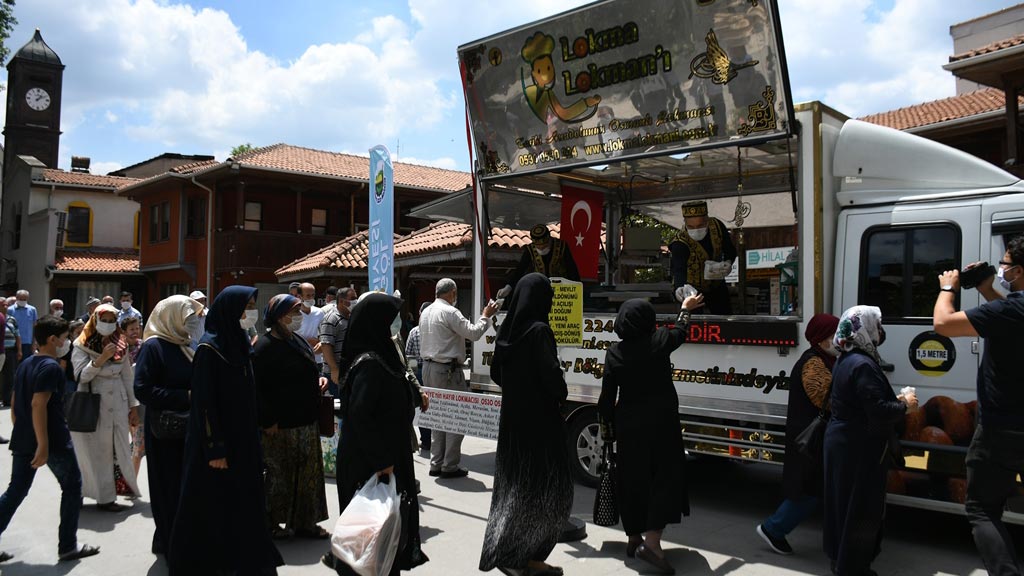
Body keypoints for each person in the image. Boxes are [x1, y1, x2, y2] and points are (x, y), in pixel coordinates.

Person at [169, 286, 284, 575]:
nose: (250, 312)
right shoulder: (210, 349)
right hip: (218, 447)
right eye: (246, 306)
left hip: (243, 440)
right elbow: (205, 405)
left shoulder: (240, 344)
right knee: (213, 509)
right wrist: (215, 447)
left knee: (244, 505)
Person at [933, 237, 1024, 576]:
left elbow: (943, 325)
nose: (1001, 269)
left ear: (1018, 270)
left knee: (982, 509)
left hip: (1002, 429)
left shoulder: (1012, 309)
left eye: (1004, 264)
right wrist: (987, 288)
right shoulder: (1012, 309)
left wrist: (947, 288)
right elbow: (1008, 319)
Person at [597, 295, 704, 575]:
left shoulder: (614, 352)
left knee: (632, 479)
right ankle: (652, 544)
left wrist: (607, 432)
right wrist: (685, 310)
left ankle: (633, 539)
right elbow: (680, 332)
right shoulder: (658, 342)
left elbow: (606, 398)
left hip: (628, 426)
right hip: (661, 424)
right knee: (665, 478)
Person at [322, 292, 428, 575]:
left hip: (385, 456)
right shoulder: (369, 364)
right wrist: (382, 461)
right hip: (371, 462)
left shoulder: (382, 356)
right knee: (370, 538)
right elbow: (360, 416)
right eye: (390, 318)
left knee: (382, 538)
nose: (396, 324)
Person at [480, 273, 576, 576]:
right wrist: (557, 388)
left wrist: (517, 388)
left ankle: (513, 554)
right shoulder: (539, 332)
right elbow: (554, 382)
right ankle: (527, 556)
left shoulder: (508, 331)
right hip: (541, 424)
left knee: (515, 489)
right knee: (552, 491)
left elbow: (496, 373)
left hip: (513, 424)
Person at [823, 306, 917, 576]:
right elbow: (877, 410)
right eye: (877, 323)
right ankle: (852, 567)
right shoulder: (863, 363)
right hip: (858, 447)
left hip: (844, 442)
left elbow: (861, 402)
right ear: (863, 327)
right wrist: (905, 406)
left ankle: (840, 561)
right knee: (860, 507)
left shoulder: (847, 357)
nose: (881, 329)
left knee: (842, 505)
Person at [0, 316, 100, 563]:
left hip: (24, 437)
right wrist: (42, 445)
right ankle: (68, 546)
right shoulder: (51, 367)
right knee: (72, 485)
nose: (67, 343)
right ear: (53, 339)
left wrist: (22, 431)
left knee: (16, 490)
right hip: (52, 439)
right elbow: (38, 404)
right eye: (65, 338)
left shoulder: (26, 364)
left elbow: (15, 403)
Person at [757, 313, 840, 556]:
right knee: (809, 489)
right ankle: (773, 528)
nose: (839, 339)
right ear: (821, 339)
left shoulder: (826, 360)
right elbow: (827, 400)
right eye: (834, 335)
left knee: (813, 487)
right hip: (809, 438)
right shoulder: (813, 363)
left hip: (813, 436)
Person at [254, 294, 330, 540]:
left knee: (308, 476)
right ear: (279, 317)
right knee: (278, 477)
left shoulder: (297, 340)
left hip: (306, 419)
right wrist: (268, 420)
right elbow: (257, 389)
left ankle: (305, 523)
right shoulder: (263, 347)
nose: (298, 317)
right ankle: (271, 523)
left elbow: (308, 368)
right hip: (280, 424)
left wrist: (318, 380)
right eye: (294, 312)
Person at [133, 295, 202, 557]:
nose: (194, 323)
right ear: (171, 318)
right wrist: (183, 396)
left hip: (186, 429)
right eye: (188, 318)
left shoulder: (185, 345)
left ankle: (175, 537)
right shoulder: (153, 347)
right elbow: (143, 389)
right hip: (164, 432)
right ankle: (168, 539)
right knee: (167, 486)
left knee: (183, 487)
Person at [419, 278, 498, 478]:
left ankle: (436, 462)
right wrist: (486, 317)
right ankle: (450, 465)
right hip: (447, 371)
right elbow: (473, 333)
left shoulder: (426, 311)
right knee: (457, 416)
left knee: (437, 417)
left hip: (428, 368)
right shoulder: (450, 312)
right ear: (452, 293)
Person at [71, 303, 142, 510]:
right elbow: (80, 375)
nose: (109, 325)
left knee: (117, 450)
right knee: (93, 452)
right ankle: (93, 495)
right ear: (95, 320)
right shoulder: (81, 344)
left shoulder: (121, 342)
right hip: (94, 401)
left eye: (112, 321)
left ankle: (112, 494)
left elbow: (127, 376)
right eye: (105, 320)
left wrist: (133, 407)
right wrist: (100, 360)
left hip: (118, 401)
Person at [668, 200, 737, 315]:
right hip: (693, 289)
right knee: (695, 324)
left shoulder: (717, 227)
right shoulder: (679, 243)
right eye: (690, 226)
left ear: (707, 220)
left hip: (717, 285)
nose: (695, 230)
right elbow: (679, 269)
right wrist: (679, 288)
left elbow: (730, 249)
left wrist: (729, 262)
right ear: (684, 223)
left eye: (700, 225)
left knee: (725, 320)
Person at [497, 224, 580, 299]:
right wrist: (509, 287)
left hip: (562, 290)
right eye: (538, 247)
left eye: (544, 246)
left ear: (549, 241)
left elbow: (572, 269)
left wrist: (578, 290)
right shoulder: (530, 249)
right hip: (539, 289)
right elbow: (520, 269)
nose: (541, 249)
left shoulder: (562, 246)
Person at [120, 315, 145, 479]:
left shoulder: (144, 347)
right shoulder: (117, 349)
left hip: (139, 402)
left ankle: (131, 482)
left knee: (138, 444)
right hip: (121, 400)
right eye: (132, 329)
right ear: (123, 331)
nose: (135, 332)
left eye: (137, 328)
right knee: (127, 444)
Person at [405, 301, 432, 452]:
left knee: (423, 406)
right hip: (436, 369)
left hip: (419, 372)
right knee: (437, 406)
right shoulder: (438, 331)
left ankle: (426, 441)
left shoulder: (414, 331)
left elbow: (408, 355)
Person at [320, 287, 357, 394]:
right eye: (352, 298)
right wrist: (334, 369)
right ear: (341, 301)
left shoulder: (349, 317)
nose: (355, 301)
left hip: (347, 372)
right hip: (335, 374)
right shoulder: (331, 318)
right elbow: (326, 345)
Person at [297, 282, 325, 370]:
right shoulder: (293, 314)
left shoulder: (319, 312)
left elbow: (325, 332)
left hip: (317, 359)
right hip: (299, 358)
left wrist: (321, 342)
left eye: (313, 295)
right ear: (299, 297)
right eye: (308, 295)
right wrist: (306, 342)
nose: (311, 298)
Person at [1, 298, 20, 409]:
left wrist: (19, 349)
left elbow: (17, 335)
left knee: (9, 376)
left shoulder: (12, 319)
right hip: (0, 351)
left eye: (6, 305)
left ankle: (7, 399)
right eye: (3, 305)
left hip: (11, 350)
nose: (6, 307)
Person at [10, 290, 38, 361]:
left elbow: (35, 327)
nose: (22, 301)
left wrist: (34, 343)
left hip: (27, 343)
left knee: (27, 364)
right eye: (20, 299)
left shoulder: (32, 310)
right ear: (16, 298)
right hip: (13, 343)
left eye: (24, 299)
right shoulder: (10, 310)